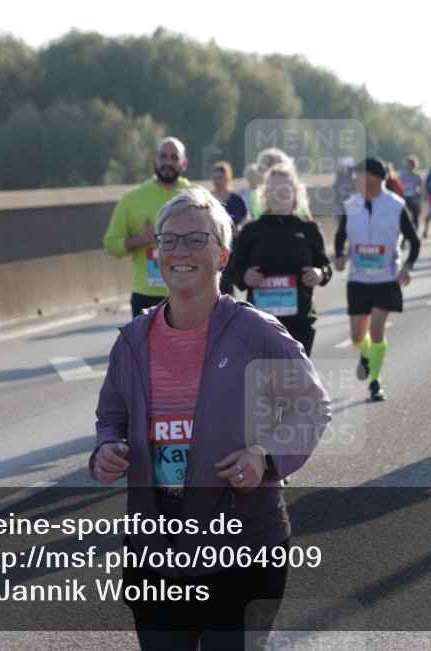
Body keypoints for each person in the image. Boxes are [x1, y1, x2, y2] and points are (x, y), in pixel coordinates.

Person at [89, 187, 330, 650]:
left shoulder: (255, 332)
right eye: (169, 241)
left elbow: (312, 406)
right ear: (157, 254)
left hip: (244, 547)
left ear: (222, 257)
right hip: (155, 549)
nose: (180, 252)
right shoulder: (133, 340)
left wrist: (264, 455)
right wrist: (106, 449)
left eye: (196, 240)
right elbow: (111, 415)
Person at [334, 158, 420, 402]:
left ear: (375, 178)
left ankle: (375, 382)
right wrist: (339, 257)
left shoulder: (395, 205)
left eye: (361, 175)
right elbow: (340, 237)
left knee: (377, 328)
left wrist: (408, 267)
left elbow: (414, 240)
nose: (357, 180)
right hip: (358, 279)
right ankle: (367, 353)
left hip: (386, 277)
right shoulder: (351, 205)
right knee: (357, 337)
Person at [232, 163, 331, 354]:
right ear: (266, 194)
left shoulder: (309, 229)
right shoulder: (251, 231)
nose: (279, 194)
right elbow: (234, 271)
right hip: (260, 323)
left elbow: (326, 267)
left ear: (295, 192)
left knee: (293, 380)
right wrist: (244, 276)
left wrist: (319, 273)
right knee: (265, 380)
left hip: (300, 322)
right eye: (273, 189)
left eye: (284, 189)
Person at [104, 137, 193, 317]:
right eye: (163, 156)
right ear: (154, 160)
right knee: (147, 347)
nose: (168, 162)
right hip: (146, 296)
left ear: (184, 164)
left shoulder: (199, 197)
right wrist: (140, 240)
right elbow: (111, 245)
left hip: (190, 294)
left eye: (174, 158)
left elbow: (220, 242)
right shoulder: (132, 199)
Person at [210, 161, 249, 296]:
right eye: (214, 178)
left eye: (219, 178)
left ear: (227, 177)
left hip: (233, 246)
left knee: (228, 281)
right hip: (214, 244)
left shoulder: (236, 199)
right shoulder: (209, 198)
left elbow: (245, 217)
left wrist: (240, 227)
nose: (216, 181)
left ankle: (230, 309)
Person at [400, 155, 424, 235]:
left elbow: (420, 188)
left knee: (415, 214)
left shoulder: (417, 177)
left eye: (411, 165)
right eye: (408, 165)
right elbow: (399, 186)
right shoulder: (402, 176)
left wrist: (418, 196)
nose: (409, 167)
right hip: (404, 197)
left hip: (414, 197)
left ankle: (415, 231)